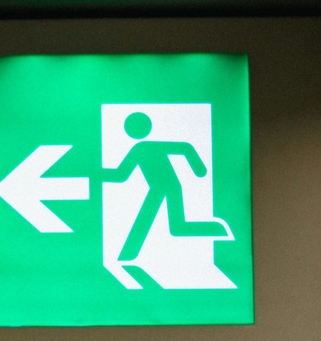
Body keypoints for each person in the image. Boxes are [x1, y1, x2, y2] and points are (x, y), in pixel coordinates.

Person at [99, 111, 232, 262]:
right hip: (160, 188)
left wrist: (199, 169)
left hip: (168, 187)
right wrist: (97, 173)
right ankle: (217, 230)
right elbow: (121, 174)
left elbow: (185, 148)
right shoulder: (139, 149)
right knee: (177, 226)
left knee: (172, 225)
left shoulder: (142, 148)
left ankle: (127, 254)